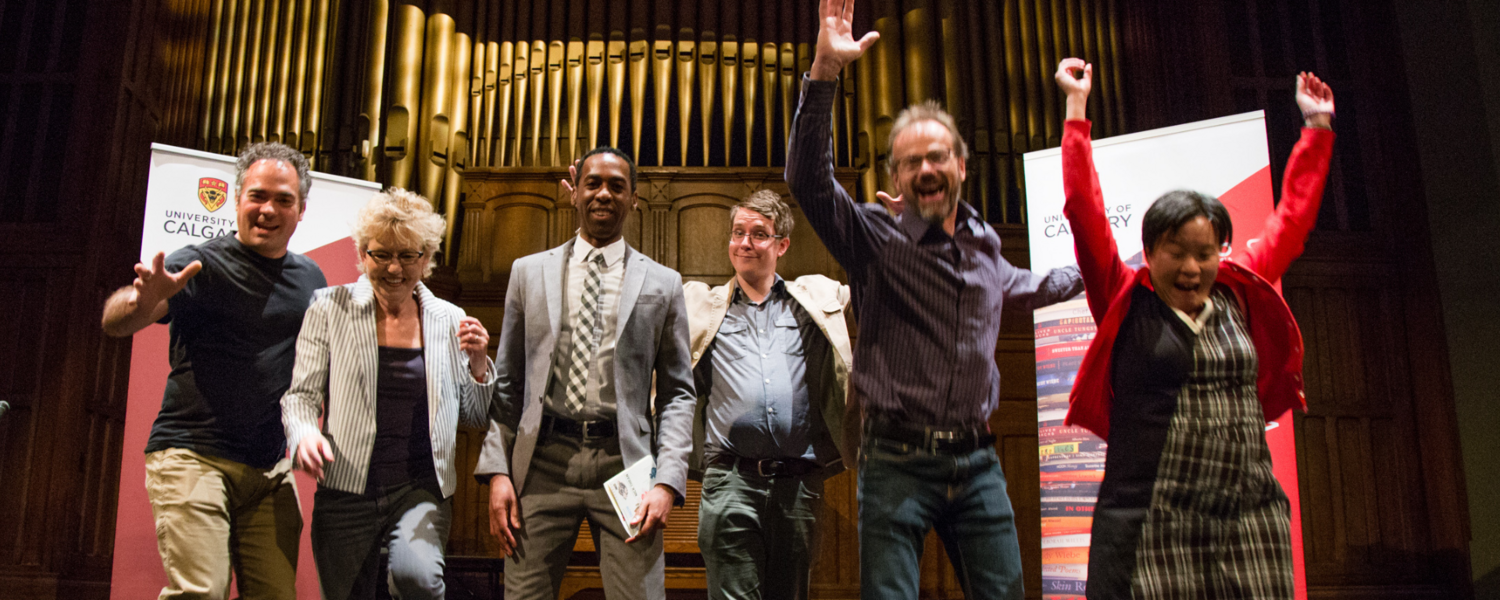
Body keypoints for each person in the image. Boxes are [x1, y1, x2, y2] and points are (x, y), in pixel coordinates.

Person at [785, 1, 1085, 598]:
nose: (925, 167)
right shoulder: (875, 238)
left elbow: (1034, 286)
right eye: (910, 161)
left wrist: (1117, 266)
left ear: (962, 166)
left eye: (937, 156)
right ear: (896, 177)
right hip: (896, 460)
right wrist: (824, 71)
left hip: (977, 462)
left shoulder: (984, 248)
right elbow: (808, 181)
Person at [1053, 58, 1335, 599]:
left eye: (1205, 253)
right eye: (1176, 253)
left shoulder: (1238, 288)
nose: (1191, 268)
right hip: (1153, 516)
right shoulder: (1124, 297)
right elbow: (1083, 211)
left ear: (1221, 251)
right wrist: (1076, 108)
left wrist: (1317, 130)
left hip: (1245, 511)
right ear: (1150, 252)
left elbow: (1292, 221)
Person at [101, 142, 324, 600]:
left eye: (283, 199)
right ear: (237, 198)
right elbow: (115, 321)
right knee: (201, 592)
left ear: (301, 209)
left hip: (269, 468)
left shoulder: (311, 279)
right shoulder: (200, 262)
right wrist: (143, 300)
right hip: (193, 455)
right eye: (257, 196)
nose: (268, 209)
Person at [473, 147, 697, 600]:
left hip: (625, 462)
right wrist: (498, 471)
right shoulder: (527, 272)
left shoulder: (663, 282)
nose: (603, 194)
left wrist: (667, 480)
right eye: (593, 182)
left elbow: (678, 394)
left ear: (634, 198)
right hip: (542, 463)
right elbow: (510, 384)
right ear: (573, 191)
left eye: (617, 185)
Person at [279, 188, 493, 599]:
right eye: (381, 254)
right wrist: (304, 434)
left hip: (421, 486)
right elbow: (300, 397)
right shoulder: (328, 307)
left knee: (419, 580)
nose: (394, 268)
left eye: (408, 255)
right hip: (346, 488)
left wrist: (480, 363)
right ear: (362, 254)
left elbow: (476, 414)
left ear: (426, 259)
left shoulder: (450, 318)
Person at [680, 190, 854, 600]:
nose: (745, 242)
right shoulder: (702, 306)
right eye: (738, 233)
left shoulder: (814, 302)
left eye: (759, 234)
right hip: (729, 482)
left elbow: (877, 281)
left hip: (798, 484)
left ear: (782, 245)